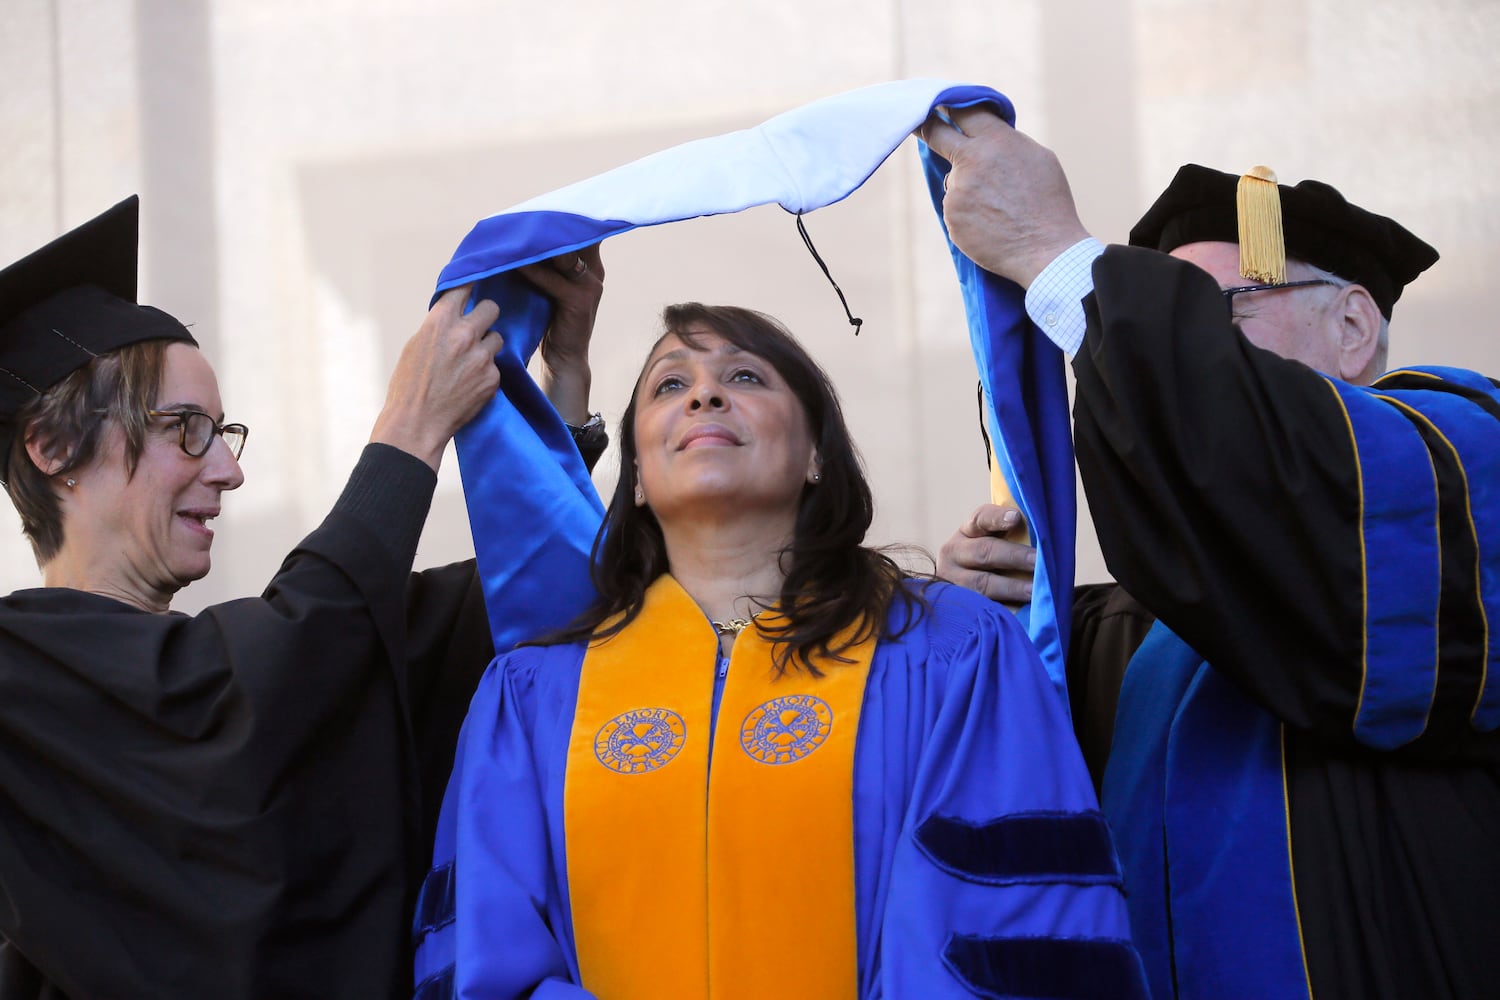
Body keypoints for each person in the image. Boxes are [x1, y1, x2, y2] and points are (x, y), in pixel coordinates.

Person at [922, 108, 1500, 1000]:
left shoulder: (1464, 456)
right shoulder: (1153, 624)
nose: (1170, 340)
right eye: (1171, 313)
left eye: (1207, 311)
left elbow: (1299, 519)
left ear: (1353, 325)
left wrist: (1056, 255)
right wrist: (1012, 626)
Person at [412, 302, 1146, 999]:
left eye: (744, 377)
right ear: (634, 479)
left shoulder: (950, 653)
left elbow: (1002, 928)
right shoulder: (533, 695)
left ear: (817, 454)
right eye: (672, 384)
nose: (703, 396)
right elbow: (485, 952)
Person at [0, 197, 605, 1000]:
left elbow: (501, 612)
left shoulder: (246, 676)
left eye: (224, 432)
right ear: (52, 448)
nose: (227, 469)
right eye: (186, 428)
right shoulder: (20, 680)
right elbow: (265, 684)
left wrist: (552, 402)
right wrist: (408, 429)